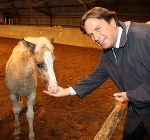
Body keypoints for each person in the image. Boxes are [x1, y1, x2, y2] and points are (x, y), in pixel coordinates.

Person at [43, 7, 150, 140]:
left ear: (112, 22)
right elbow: (96, 76)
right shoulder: (107, 53)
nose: (96, 38)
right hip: (137, 108)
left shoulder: (145, 36)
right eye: (90, 35)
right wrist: (66, 91)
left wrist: (132, 95)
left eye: (98, 28)